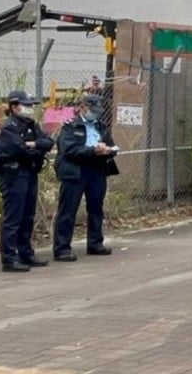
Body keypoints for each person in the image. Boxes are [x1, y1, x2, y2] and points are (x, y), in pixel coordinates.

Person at [0, 90, 54, 273]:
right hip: (13, 174)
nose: (30, 109)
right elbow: (20, 150)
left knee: (28, 215)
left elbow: (48, 142)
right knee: (13, 217)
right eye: (27, 105)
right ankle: (9, 258)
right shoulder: (9, 127)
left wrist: (34, 145)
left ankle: (26, 253)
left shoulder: (31, 125)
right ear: (14, 106)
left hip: (30, 172)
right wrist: (34, 147)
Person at [52, 93, 119, 261]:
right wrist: (92, 150)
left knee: (96, 208)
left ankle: (95, 243)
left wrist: (109, 150)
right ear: (83, 107)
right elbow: (69, 150)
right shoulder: (70, 126)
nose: (95, 113)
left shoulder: (101, 126)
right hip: (76, 171)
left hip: (96, 169)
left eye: (97, 110)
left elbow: (110, 144)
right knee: (68, 210)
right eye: (92, 110)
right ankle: (62, 248)